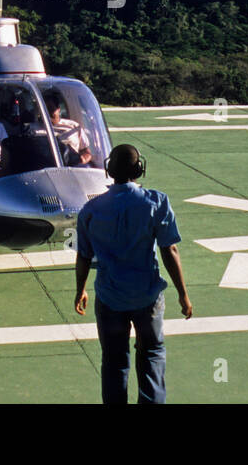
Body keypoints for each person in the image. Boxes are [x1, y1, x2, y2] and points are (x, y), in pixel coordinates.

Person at [73, 144, 193, 404]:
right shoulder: (157, 202)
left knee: (114, 361)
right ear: (139, 169)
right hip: (147, 296)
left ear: (109, 169)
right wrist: (183, 294)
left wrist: (80, 289)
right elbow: (169, 249)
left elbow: (83, 255)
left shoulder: (91, 210)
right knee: (151, 355)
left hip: (109, 297)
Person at [44, 92, 92, 166]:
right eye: (44, 110)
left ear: (58, 109)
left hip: (72, 167)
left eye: (50, 109)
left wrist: (81, 161)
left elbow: (86, 152)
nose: (47, 113)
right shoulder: (32, 129)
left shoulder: (73, 126)